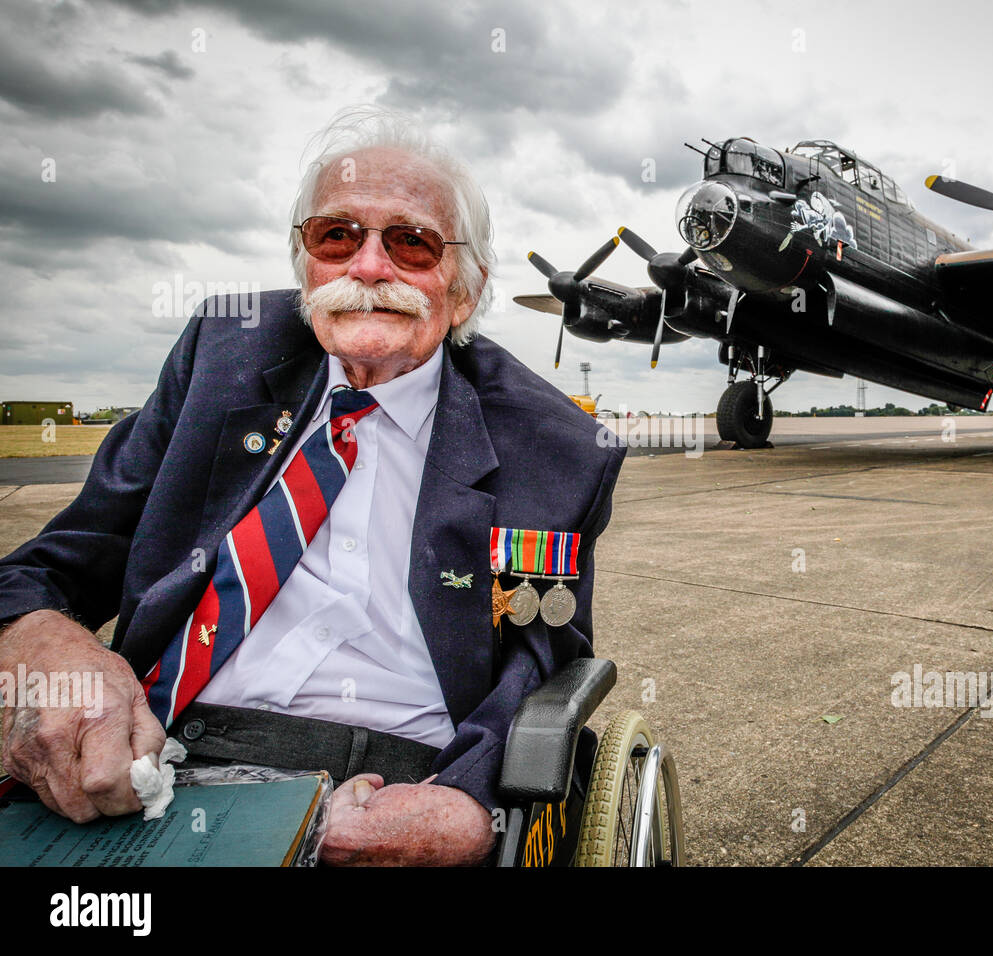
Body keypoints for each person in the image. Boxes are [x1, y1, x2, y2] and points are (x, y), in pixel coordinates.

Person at [0, 106, 625, 866]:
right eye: (337, 236)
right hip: (156, 746)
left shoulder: (552, 442)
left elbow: (544, 655)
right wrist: (46, 644)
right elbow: (54, 565)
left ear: (463, 290)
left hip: (395, 772)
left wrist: (468, 800)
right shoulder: (219, 356)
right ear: (306, 267)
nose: (368, 267)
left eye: (411, 242)